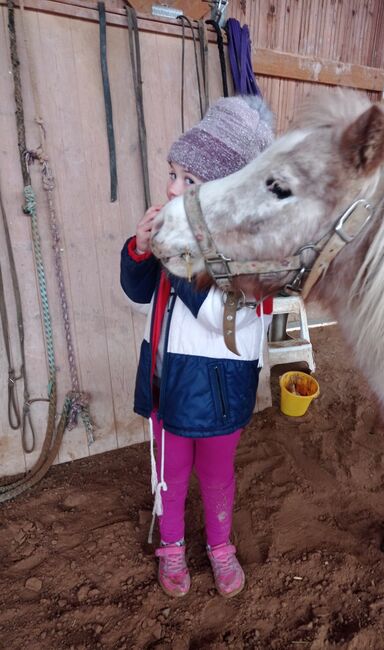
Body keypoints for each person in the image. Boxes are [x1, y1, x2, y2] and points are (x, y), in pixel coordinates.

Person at [120, 96, 274, 599]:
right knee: (171, 473)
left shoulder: (255, 253)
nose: (170, 187)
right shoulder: (177, 237)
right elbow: (138, 291)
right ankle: (170, 548)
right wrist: (142, 250)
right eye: (173, 173)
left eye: (189, 180)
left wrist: (172, 255)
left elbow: (218, 319)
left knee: (216, 474)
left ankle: (220, 546)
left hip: (222, 389)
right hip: (169, 381)